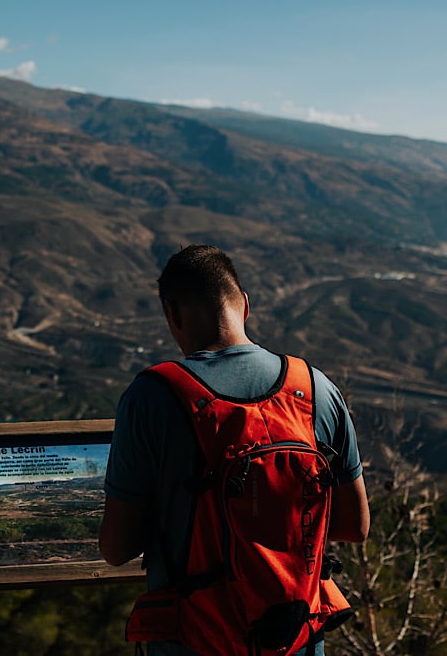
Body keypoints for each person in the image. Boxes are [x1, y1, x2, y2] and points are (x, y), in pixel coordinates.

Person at [99, 244, 370, 655]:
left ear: (173, 315)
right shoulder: (315, 388)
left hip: (195, 638)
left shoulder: (153, 397)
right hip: (294, 637)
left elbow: (117, 549)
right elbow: (355, 526)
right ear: (244, 305)